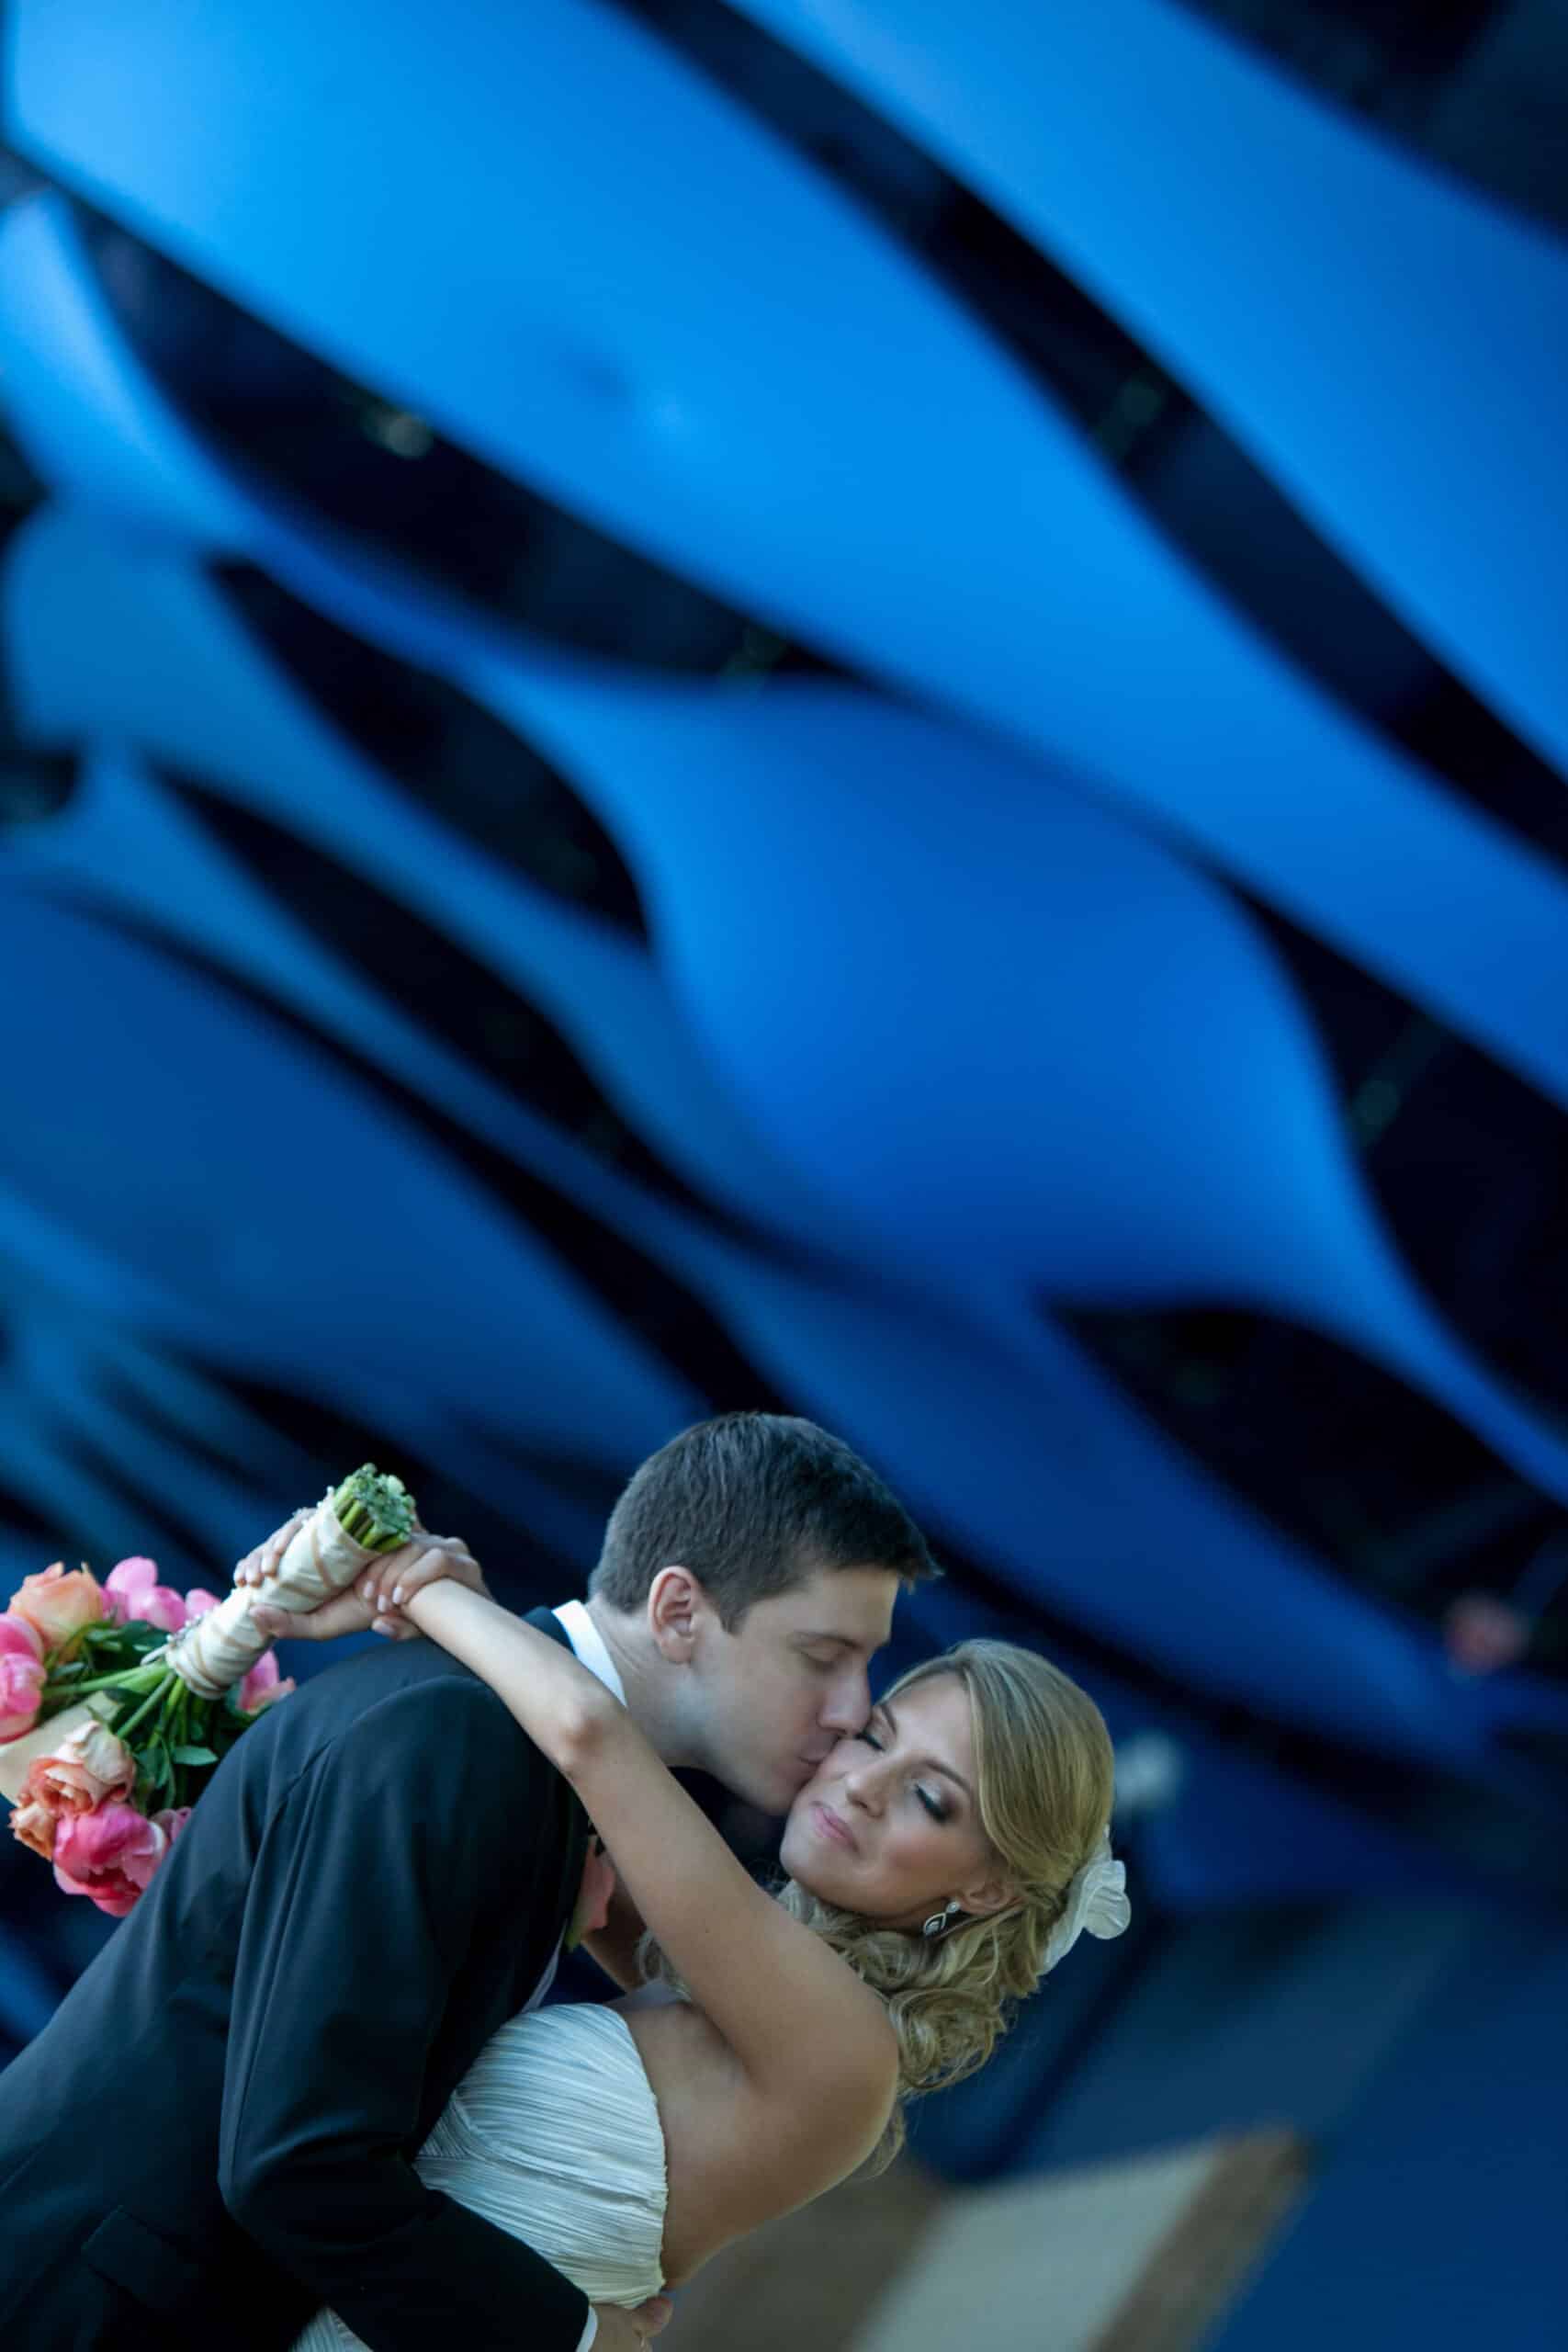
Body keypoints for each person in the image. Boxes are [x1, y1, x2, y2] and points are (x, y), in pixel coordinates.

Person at [0, 1414, 936, 2352]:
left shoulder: (512, 1756)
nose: (851, 1710)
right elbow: (298, 2160)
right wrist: (570, 2335)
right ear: (680, 1610)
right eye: (822, 1656)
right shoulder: (457, 1738)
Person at [274, 1536, 1127, 2352]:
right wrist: (467, 1602)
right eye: (874, 1736)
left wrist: (411, 1581)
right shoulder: (723, 1978)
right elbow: (572, 1777)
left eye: (928, 1799)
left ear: (987, 1889)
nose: (860, 1784)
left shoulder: (841, 2051)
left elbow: (586, 1736)